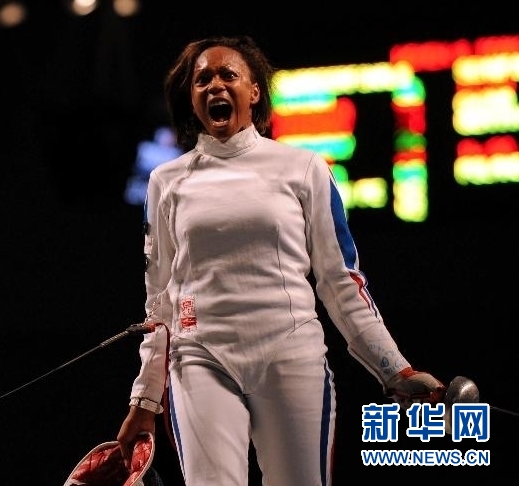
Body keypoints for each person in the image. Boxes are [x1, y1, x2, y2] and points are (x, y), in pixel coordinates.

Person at [116, 34, 446, 486]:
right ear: (191, 98)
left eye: (228, 75)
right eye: (202, 80)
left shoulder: (304, 168)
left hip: (289, 354)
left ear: (254, 91)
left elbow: (341, 281)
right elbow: (160, 303)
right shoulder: (165, 181)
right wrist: (145, 399)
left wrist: (394, 369)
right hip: (200, 356)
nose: (215, 85)